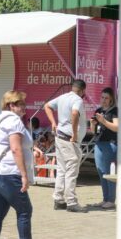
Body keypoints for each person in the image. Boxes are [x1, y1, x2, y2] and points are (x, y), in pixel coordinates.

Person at [0, 90, 34, 239]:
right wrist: (24, 176)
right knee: (25, 211)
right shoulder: (13, 121)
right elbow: (15, 149)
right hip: (11, 173)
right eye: (21, 104)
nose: (25, 107)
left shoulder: (1, 118)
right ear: (11, 105)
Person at [44, 79, 88, 213]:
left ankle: (58, 200)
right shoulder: (78, 100)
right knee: (71, 171)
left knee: (62, 170)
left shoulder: (63, 97)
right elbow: (75, 113)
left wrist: (53, 122)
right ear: (82, 91)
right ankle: (71, 202)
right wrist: (75, 134)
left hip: (60, 137)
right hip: (69, 140)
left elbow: (47, 106)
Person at [90, 87, 119, 209]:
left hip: (110, 144)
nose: (104, 100)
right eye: (102, 97)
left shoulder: (115, 111)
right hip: (99, 143)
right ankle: (105, 198)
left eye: (106, 98)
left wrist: (104, 121)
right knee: (101, 171)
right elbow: (93, 132)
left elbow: (117, 127)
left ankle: (111, 200)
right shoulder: (98, 110)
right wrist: (93, 123)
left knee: (109, 172)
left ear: (111, 99)